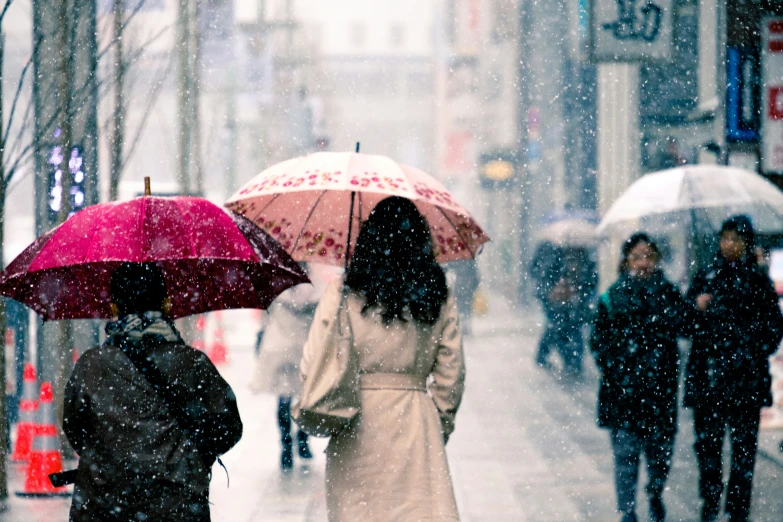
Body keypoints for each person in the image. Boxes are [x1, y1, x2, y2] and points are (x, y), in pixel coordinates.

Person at [301, 196, 465, 521]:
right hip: (416, 423)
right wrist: (438, 424)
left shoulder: (344, 292)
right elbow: (452, 373)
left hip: (355, 421)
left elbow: (313, 361)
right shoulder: (436, 292)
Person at [63, 262, 243, 522]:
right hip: (177, 504)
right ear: (167, 304)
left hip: (103, 503)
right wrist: (191, 457)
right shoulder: (193, 364)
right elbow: (228, 429)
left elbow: (75, 430)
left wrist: (110, 461)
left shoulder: (92, 365)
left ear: (114, 307)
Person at [685, 215, 783, 522]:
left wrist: (748, 347)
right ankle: (711, 499)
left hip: (745, 380)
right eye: (726, 238)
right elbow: (686, 325)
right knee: (708, 449)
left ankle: (738, 508)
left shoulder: (757, 282)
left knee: (743, 451)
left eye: (737, 239)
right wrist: (696, 308)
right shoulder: (705, 276)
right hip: (709, 377)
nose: (730, 245)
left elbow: (772, 328)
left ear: (746, 243)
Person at [590, 233, 692, 522]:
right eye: (637, 256)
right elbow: (599, 342)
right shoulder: (613, 297)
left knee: (660, 457)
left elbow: (686, 327)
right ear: (626, 261)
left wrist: (689, 307)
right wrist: (617, 369)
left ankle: (655, 492)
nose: (643, 262)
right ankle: (628, 511)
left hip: (660, 392)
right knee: (625, 457)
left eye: (648, 256)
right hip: (624, 394)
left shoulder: (668, 293)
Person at [250, 263, 341, 470]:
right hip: (303, 348)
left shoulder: (274, 288)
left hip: (279, 349)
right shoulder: (317, 290)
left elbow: (265, 320)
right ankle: (302, 441)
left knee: (283, 399)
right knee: (304, 398)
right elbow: (323, 323)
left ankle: (285, 446)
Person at [531, 243, 597, 376]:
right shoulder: (555, 256)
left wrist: (578, 289)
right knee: (557, 328)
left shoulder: (585, 261)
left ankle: (572, 361)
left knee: (569, 329)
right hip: (556, 302)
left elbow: (591, 281)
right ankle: (565, 359)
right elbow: (542, 275)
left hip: (574, 303)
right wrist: (554, 288)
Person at [445, 259, 480, 336]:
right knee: (466, 308)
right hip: (467, 289)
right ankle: (466, 326)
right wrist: (474, 288)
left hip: (460, 289)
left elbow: (448, 268)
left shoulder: (457, 260)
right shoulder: (470, 261)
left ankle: (463, 326)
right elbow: (476, 277)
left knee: (461, 308)